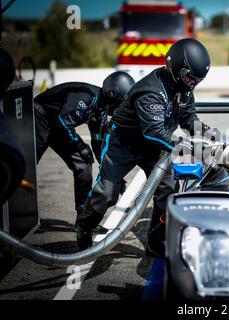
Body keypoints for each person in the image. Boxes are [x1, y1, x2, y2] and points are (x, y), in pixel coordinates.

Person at [75, 39, 215, 255]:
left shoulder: (185, 90)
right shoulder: (151, 90)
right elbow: (154, 131)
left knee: (167, 189)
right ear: (177, 68)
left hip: (153, 147)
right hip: (123, 143)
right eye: (190, 77)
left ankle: (156, 242)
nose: (192, 83)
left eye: (197, 80)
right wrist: (186, 145)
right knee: (108, 193)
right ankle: (84, 226)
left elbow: (190, 120)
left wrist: (209, 137)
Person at [34, 71, 135, 224]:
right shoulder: (87, 97)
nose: (121, 108)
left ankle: (82, 219)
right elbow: (62, 123)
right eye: (121, 102)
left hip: (58, 126)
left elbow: (97, 142)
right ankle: (12, 223)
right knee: (27, 169)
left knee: (83, 163)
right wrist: (81, 146)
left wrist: (111, 173)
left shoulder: (101, 109)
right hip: (39, 119)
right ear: (112, 94)